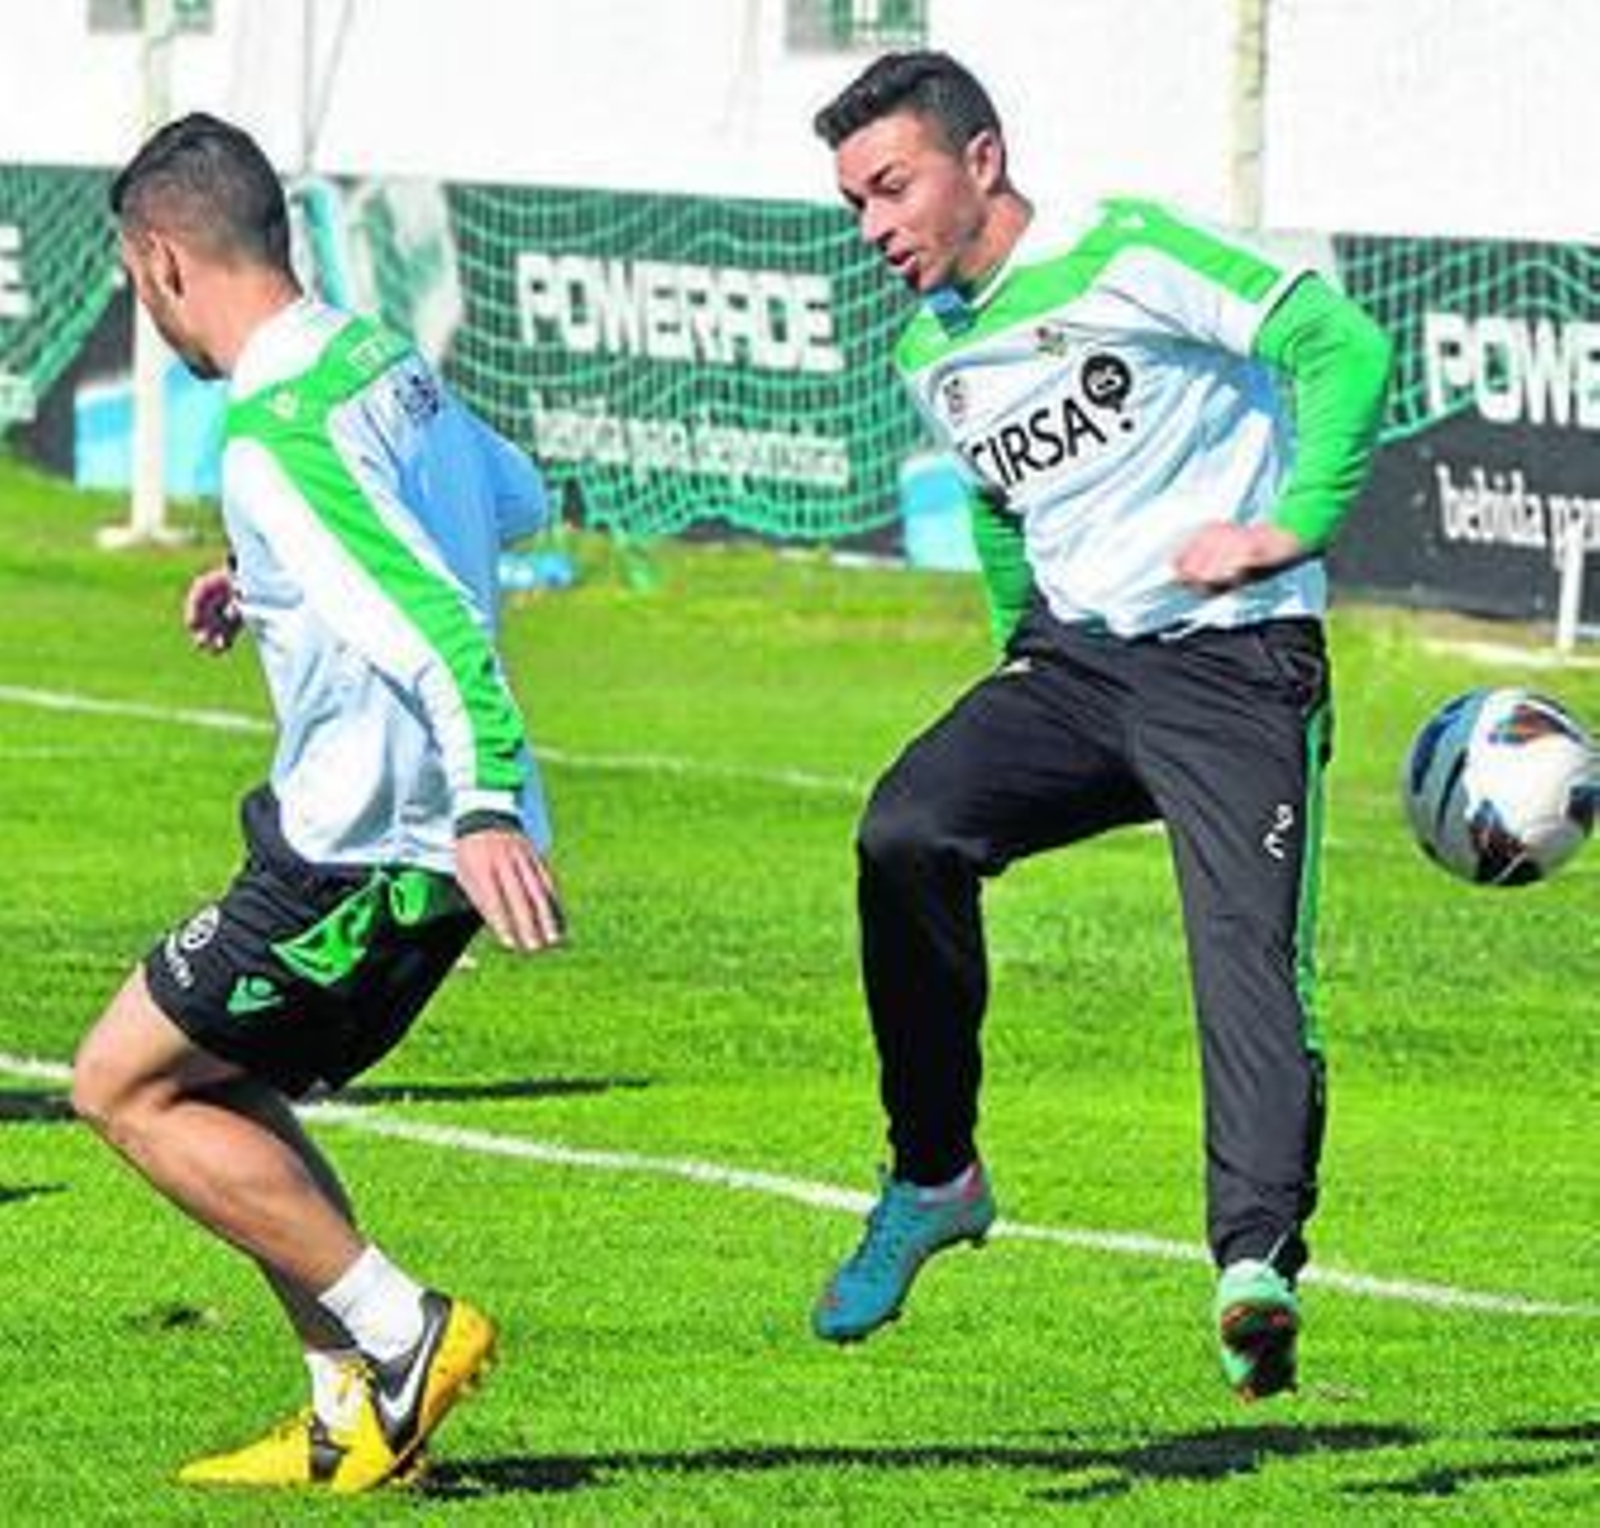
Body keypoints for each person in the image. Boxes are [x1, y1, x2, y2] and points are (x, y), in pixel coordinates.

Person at [808, 53, 1392, 1400]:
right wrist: (1020, 654)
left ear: (982, 160)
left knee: (1245, 954)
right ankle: (934, 1176)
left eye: (891, 187)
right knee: (906, 832)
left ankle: (1254, 1266)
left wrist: (1289, 526)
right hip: (1075, 671)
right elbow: (1001, 514)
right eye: (854, 205)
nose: (874, 228)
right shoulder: (930, 353)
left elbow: (1340, 344)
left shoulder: (1126, 254)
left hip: (1237, 662)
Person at [71, 113, 564, 1491]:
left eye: (135, 280)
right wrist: (273, 578)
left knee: (119, 1084)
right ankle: (350, 1406)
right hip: (370, 834)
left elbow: (434, 619)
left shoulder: (270, 435)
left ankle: (402, 1332)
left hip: (373, 850)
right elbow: (515, 499)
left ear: (165, 262)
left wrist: (484, 801)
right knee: (212, 1075)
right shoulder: (377, 360)